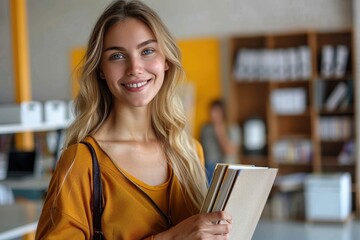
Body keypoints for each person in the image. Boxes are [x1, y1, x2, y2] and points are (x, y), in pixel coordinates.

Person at [35, 0, 232, 239]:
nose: (135, 68)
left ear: (166, 60)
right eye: (117, 56)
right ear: (100, 70)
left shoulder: (190, 152)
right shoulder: (82, 162)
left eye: (147, 51)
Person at [200, 99, 241, 182]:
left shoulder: (233, 128)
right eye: (211, 111)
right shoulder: (205, 129)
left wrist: (220, 132)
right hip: (209, 168)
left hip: (228, 168)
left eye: (215, 112)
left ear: (223, 112)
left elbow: (230, 151)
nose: (212, 115)